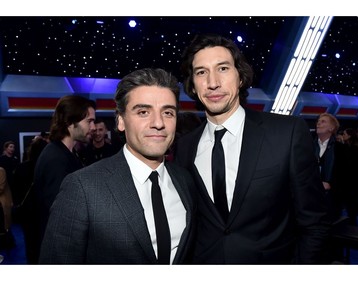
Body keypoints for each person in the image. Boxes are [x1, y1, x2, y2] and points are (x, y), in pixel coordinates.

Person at [174, 33, 330, 264]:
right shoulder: (185, 146)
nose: (213, 82)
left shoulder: (286, 133)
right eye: (201, 72)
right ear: (193, 86)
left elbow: (314, 223)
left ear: (240, 77)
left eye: (223, 68)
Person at [39, 68, 196, 264]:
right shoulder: (82, 188)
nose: (158, 123)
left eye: (168, 112)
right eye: (143, 112)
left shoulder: (186, 181)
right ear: (121, 121)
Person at [33, 95, 96, 262]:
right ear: (70, 123)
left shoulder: (66, 153)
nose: (93, 127)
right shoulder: (56, 159)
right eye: (89, 121)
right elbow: (60, 217)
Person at [12, 137, 48, 263]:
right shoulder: (47, 167)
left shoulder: (21, 167)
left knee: (30, 243)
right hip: (44, 211)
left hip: (26, 212)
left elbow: (14, 190)